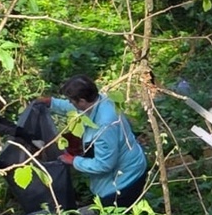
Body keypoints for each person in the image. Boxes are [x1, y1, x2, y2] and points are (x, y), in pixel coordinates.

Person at [38, 75, 148, 208]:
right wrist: (52, 103)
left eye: (71, 100)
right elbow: (76, 108)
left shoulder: (105, 125)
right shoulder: (100, 100)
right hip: (126, 167)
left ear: (82, 101)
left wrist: (74, 161)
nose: (70, 103)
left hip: (124, 180)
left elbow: (104, 164)